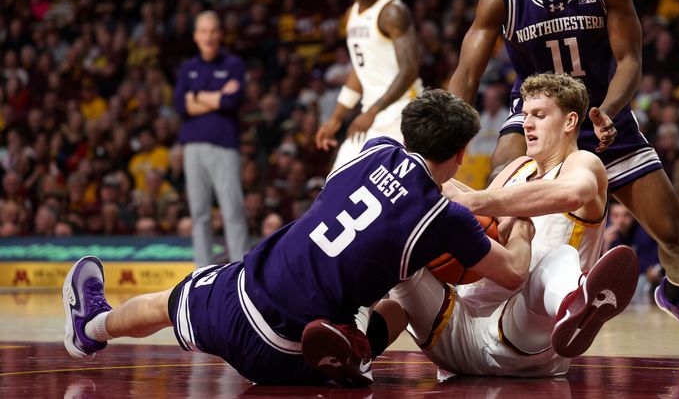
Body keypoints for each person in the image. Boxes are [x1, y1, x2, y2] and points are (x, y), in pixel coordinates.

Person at [62, 89, 535, 387]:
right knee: (404, 296)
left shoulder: (371, 151)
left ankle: (91, 329)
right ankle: (359, 349)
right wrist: (521, 225)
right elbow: (513, 272)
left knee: (166, 302)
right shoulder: (444, 218)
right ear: (459, 153)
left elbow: (417, 174)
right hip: (289, 353)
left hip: (238, 302)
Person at [447, 0, 679, 354]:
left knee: (676, 238)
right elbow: (466, 74)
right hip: (535, 113)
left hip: (603, 117)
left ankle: (678, 295)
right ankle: (501, 303)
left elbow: (632, 61)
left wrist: (609, 112)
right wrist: (448, 133)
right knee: (503, 192)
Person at [385, 73, 638, 377]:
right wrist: (436, 184)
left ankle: (577, 305)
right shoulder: (519, 167)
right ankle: (356, 342)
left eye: (539, 115)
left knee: (559, 259)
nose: (527, 124)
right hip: (454, 333)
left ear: (570, 122)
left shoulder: (583, 163)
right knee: (397, 249)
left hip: (522, 339)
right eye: (525, 115)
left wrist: (472, 201)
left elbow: (572, 192)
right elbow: (482, 203)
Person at [315, 0, 423, 170]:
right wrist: (336, 118)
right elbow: (360, 68)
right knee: (337, 182)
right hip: (373, 114)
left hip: (402, 113)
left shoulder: (392, 11)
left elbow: (410, 69)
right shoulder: (351, 14)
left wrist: (372, 111)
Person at [173, 11, 248, 266]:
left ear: (221, 34)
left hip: (225, 146)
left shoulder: (234, 65)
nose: (209, 36)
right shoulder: (188, 68)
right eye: (203, 31)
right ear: (196, 36)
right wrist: (214, 97)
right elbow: (181, 106)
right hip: (192, 147)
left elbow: (230, 101)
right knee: (199, 213)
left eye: (213, 30)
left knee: (232, 210)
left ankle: (240, 268)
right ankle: (202, 270)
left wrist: (197, 97)